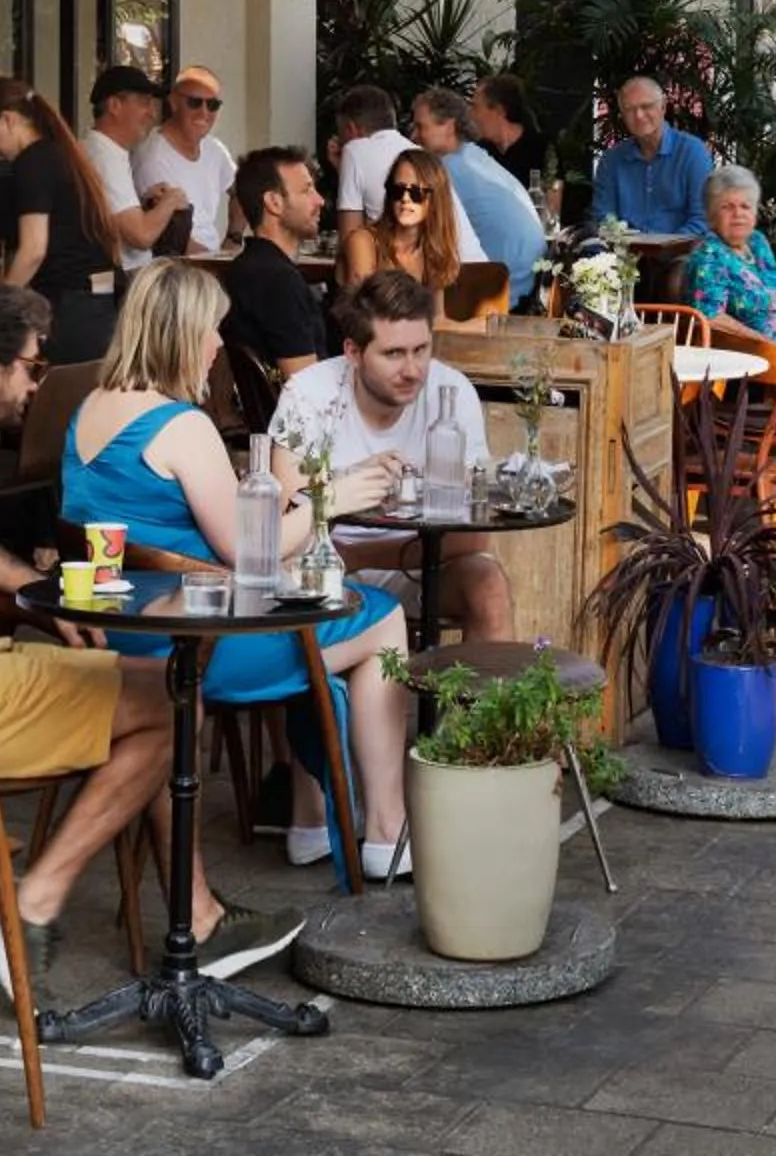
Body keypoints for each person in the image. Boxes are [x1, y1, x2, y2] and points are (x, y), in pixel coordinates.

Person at [0, 274, 304, 1004]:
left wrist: (39, 602)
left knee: (167, 698)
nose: (35, 384)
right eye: (30, 366)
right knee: (175, 711)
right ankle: (40, 900)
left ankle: (186, 915)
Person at [61, 263, 412, 876]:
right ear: (181, 334)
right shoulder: (181, 426)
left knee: (307, 599)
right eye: (212, 329)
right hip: (194, 644)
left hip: (113, 631)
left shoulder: (88, 408)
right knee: (380, 619)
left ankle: (311, 823)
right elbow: (250, 552)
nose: (220, 344)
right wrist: (336, 499)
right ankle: (384, 832)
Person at [269, 270, 514, 645]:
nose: (412, 370)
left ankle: (479, 705)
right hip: (323, 566)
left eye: (421, 350)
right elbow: (284, 514)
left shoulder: (451, 392)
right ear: (353, 352)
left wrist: (363, 555)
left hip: (415, 563)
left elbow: (475, 538)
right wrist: (348, 480)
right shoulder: (308, 394)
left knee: (488, 586)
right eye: (393, 354)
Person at [0, 76, 124, 362]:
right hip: (99, 303)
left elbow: (33, 250)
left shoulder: (33, 162)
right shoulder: (61, 153)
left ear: (8, 120)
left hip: (69, 308)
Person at [410, 86, 545, 306]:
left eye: (420, 127)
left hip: (503, 293)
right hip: (527, 282)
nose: (414, 136)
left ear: (449, 125)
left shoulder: (447, 170)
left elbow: (423, 241)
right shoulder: (472, 156)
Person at [330, 85, 485, 260]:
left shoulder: (354, 150)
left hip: (435, 273)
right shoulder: (420, 154)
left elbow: (349, 242)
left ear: (351, 129)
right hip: (476, 269)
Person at [222, 146, 331, 379]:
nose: (320, 200)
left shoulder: (249, 267)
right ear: (274, 202)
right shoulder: (277, 281)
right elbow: (305, 387)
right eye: (306, 190)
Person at [687, 164, 776, 345]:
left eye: (745, 206)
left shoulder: (757, 243)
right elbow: (710, 318)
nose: (738, 214)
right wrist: (771, 347)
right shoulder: (709, 255)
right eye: (727, 207)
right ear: (711, 217)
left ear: (754, 213)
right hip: (756, 362)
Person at [338, 146, 464, 313]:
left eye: (416, 193)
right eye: (397, 190)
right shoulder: (363, 241)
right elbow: (367, 314)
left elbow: (437, 320)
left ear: (436, 199)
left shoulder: (432, 252)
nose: (405, 199)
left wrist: (479, 325)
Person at [82, 65, 182, 270]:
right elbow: (141, 235)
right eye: (144, 102)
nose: (152, 114)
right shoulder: (104, 156)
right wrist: (171, 200)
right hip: (122, 282)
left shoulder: (105, 150)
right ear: (114, 105)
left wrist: (144, 201)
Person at [133, 65, 239, 256]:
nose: (204, 113)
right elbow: (171, 234)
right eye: (194, 103)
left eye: (212, 105)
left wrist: (234, 237)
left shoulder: (215, 149)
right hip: (178, 266)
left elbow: (242, 191)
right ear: (173, 102)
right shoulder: (152, 158)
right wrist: (218, 264)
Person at [591, 76, 714, 237]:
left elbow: (702, 219)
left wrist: (667, 249)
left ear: (663, 107)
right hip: (625, 256)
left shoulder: (692, 153)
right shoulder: (612, 160)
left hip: (682, 256)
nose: (639, 115)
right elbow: (603, 218)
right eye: (629, 109)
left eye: (646, 106)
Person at [468, 74, 550, 192]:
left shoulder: (543, 150)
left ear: (499, 111)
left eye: (476, 108)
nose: (471, 115)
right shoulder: (478, 153)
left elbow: (552, 206)